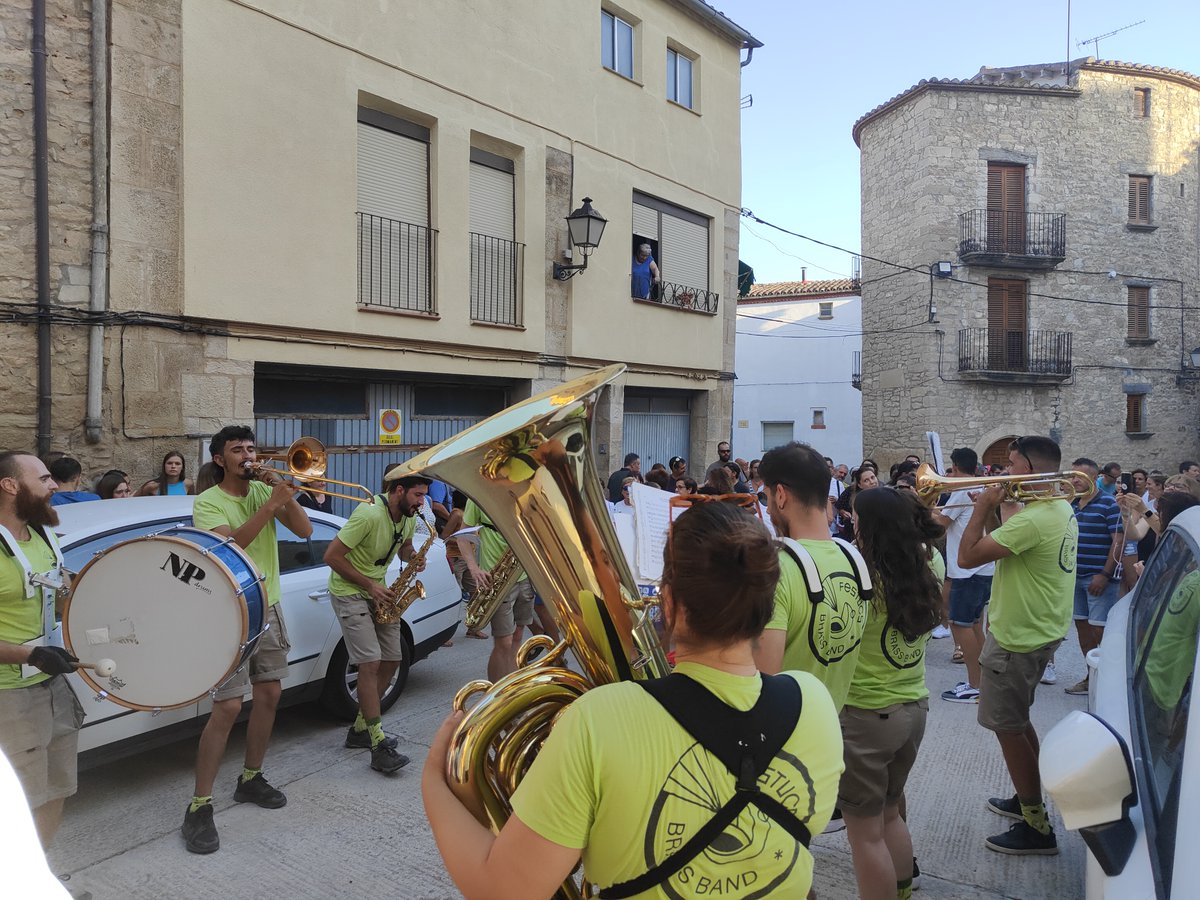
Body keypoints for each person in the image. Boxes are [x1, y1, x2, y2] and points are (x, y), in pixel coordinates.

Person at [423, 501, 844, 898]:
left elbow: (504, 890)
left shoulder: (597, 718)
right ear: (768, 607)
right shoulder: (815, 704)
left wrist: (434, 785)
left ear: (670, 602)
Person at [181, 426, 312, 855]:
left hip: (268, 608)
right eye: (237, 449)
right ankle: (200, 805)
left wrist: (283, 494)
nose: (248, 455)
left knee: (270, 694)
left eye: (251, 448)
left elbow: (306, 530)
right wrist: (270, 503)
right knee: (228, 707)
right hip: (229, 613)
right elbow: (231, 546)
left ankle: (251, 778)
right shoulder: (208, 501)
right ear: (220, 459)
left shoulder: (263, 491)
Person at [958, 435, 1077, 856]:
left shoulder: (1034, 518)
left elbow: (968, 557)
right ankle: (1029, 798)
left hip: (1017, 638)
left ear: (1029, 466)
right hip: (1038, 630)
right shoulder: (1059, 507)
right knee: (1020, 720)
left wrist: (980, 508)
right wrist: (995, 513)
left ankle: (1037, 827)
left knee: (1007, 728)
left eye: (1010, 465)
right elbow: (1004, 545)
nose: (1005, 474)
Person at [841, 487, 945, 900]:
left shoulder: (861, 576)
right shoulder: (929, 559)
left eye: (856, 518)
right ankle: (903, 889)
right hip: (913, 706)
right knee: (889, 813)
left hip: (867, 714)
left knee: (865, 834)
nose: (852, 523)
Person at [0, 451, 85, 848]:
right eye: (45, 479)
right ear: (10, 485)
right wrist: (29, 655)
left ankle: (40, 877)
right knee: (17, 804)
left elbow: (60, 593)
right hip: (9, 697)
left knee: (58, 788)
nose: (55, 486)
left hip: (52, 685)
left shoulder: (44, 536)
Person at [323, 471, 431, 774]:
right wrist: (369, 586)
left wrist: (413, 558)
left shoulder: (409, 515)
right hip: (350, 592)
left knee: (393, 658)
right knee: (369, 663)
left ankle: (359, 729)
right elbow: (331, 556)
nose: (422, 503)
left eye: (423, 495)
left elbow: (405, 546)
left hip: (380, 592)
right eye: (417, 495)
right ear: (399, 490)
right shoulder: (368, 515)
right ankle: (376, 741)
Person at [753, 442, 870, 711]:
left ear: (780, 494)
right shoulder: (854, 559)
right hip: (828, 727)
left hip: (784, 736)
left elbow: (761, 684)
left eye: (767, 498)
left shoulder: (774, 570)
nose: (768, 510)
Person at [934, 448, 995, 703]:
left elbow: (940, 526)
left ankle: (975, 685)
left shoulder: (962, 489)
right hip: (982, 567)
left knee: (960, 625)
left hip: (967, 570)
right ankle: (983, 682)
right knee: (972, 624)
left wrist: (923, 506)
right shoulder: (981, 486)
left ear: (956, 467)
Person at [1061, 459, 1124, 696]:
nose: (1074, 480)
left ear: (1094, 476)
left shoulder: (1108, 504)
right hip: (1075, 578)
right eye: (1072, 476)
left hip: (1098, 578)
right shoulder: (1072, 504)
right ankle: (1091, 677)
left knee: (1101, 632)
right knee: (1083, 630)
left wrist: (1105, 575)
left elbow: (1118, 541)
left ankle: (1109, 681)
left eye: (1080, 476)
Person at [462, 499, 535, 681]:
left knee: (518, 635)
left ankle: (510, 690)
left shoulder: (523, 492)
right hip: (496, 579)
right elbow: (462, 537)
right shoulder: (477, 495)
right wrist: (474, 568)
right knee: (504, 641)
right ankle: (494, 696)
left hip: (524, 576)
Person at [442, 490, 487, 640]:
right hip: (455, 557)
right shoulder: (456, 514)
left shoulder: (468, 514)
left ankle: (473, 627)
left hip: (468, 559)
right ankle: (445, 635)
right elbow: (445, 537)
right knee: (453, 596)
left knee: (475, 592)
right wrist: (465, 541)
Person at [835, 466, 879, 541]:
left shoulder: (886, 495)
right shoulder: (856, 498)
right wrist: (843, 512)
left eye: (873, 477)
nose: (872, 482)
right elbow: (839, 505)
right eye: (866, 480)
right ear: (860, 485)